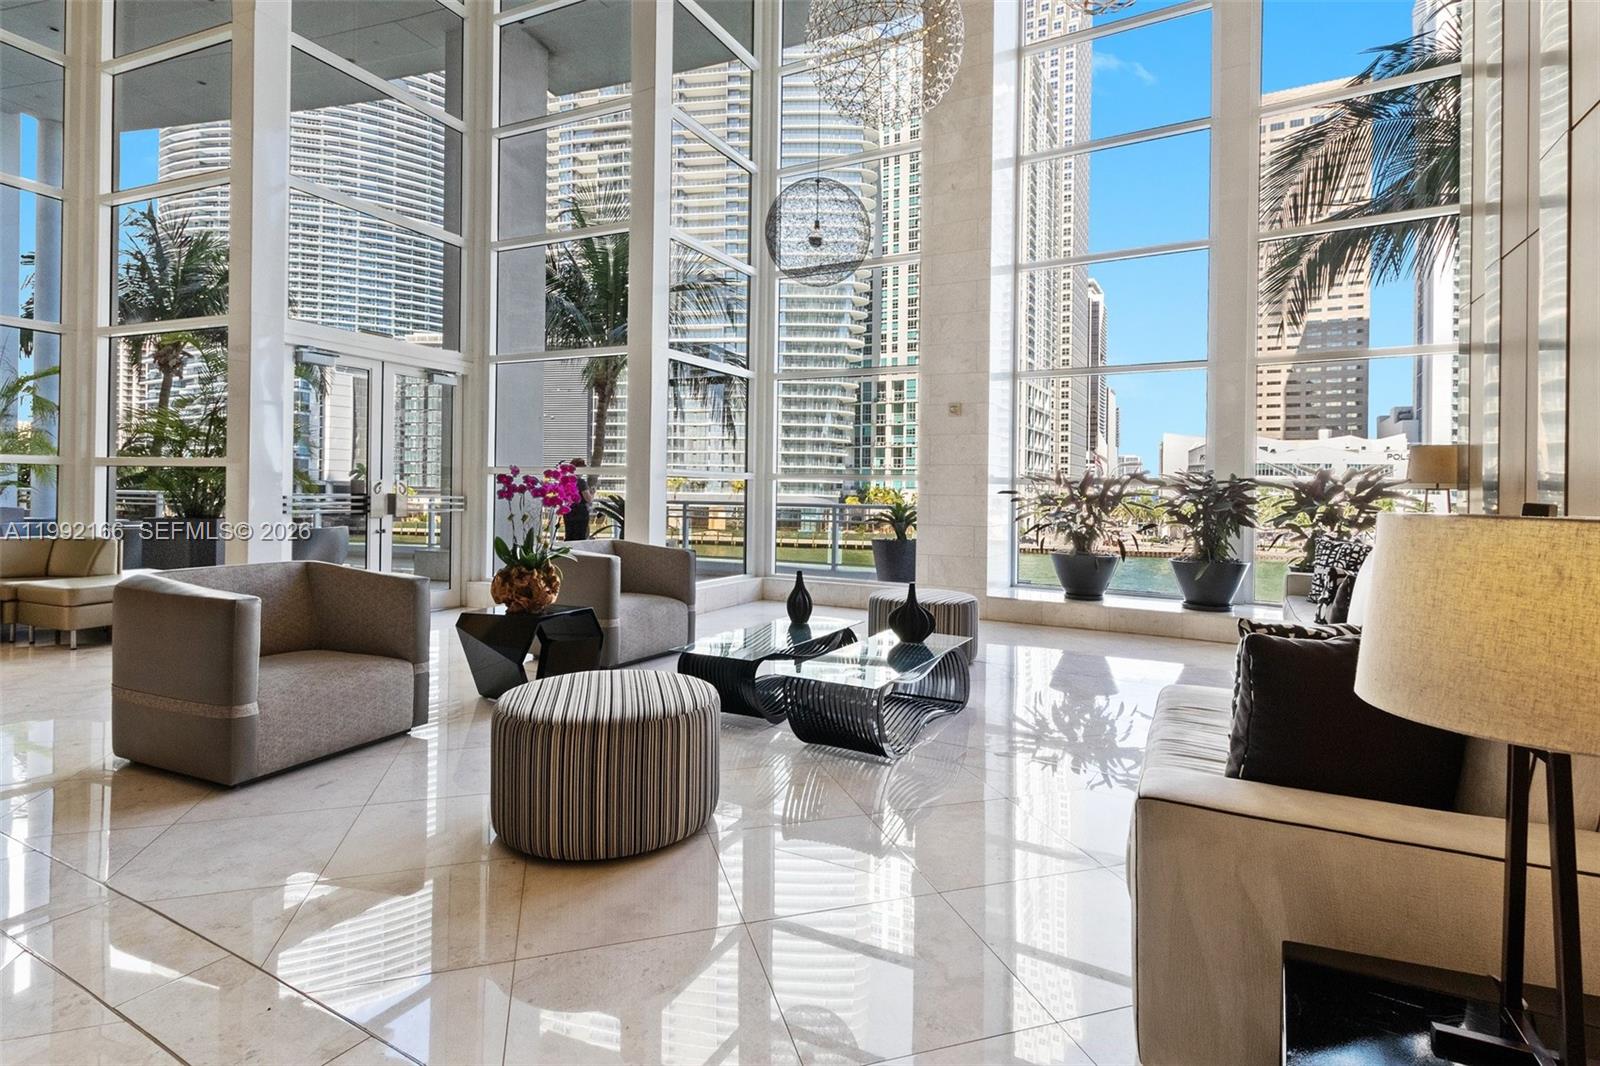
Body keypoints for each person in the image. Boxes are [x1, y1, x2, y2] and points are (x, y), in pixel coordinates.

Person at [563, 459, 595, 541]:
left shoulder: (566, 480)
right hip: (580, 512)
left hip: (568, 511)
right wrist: (592, 493)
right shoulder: (581, 482)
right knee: (580, 536)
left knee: (569, 535)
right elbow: (588, 499)